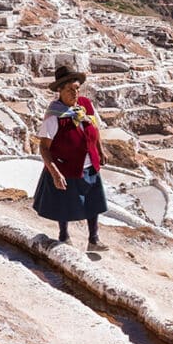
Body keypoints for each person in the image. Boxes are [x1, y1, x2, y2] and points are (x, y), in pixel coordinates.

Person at [32, 64, 109, 251]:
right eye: (70, 90)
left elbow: (94, 129)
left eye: (77, 89)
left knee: (93, 203)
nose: (75, 94)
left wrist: (100, 150)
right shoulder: (54, 116)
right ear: (59, 91)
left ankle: (93, 240)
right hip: (67, 167)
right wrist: (55, 173)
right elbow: (44, 147)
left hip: (89, 163)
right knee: (64, 205)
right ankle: (64, 237)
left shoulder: (85, 106)